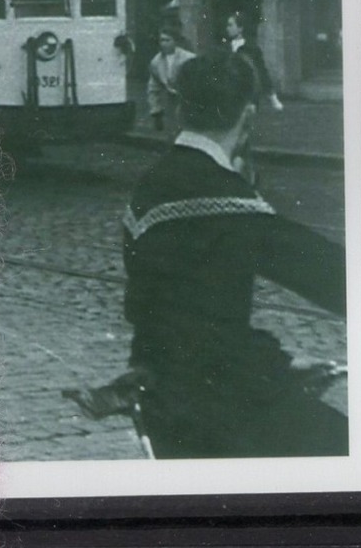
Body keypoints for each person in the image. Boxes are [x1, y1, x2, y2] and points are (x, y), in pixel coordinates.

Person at [118, 51, 348, 458]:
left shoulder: (150, 186)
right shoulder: (227, 198)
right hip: (221, 409)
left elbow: (181, 316)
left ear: (181, 109)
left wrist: (282, 363)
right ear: (249, 116)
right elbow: (338, 278)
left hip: (161, 398)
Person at [223, 12, 284, 112]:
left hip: (248, 95)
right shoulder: (226, 48)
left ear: (240, 28)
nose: (227, 28)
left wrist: (273, 99)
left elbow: (262, 72)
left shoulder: (251, 48)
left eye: (230, 25)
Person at [144, 25, 195, 134]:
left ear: (175, 41)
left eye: (168, 40)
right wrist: (156, 112)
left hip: (188, 99)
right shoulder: (156, 62)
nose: (164, 43)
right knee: (172, 132)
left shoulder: (188, 58)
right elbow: (153, 87)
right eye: (162, 40)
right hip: (171, 100)